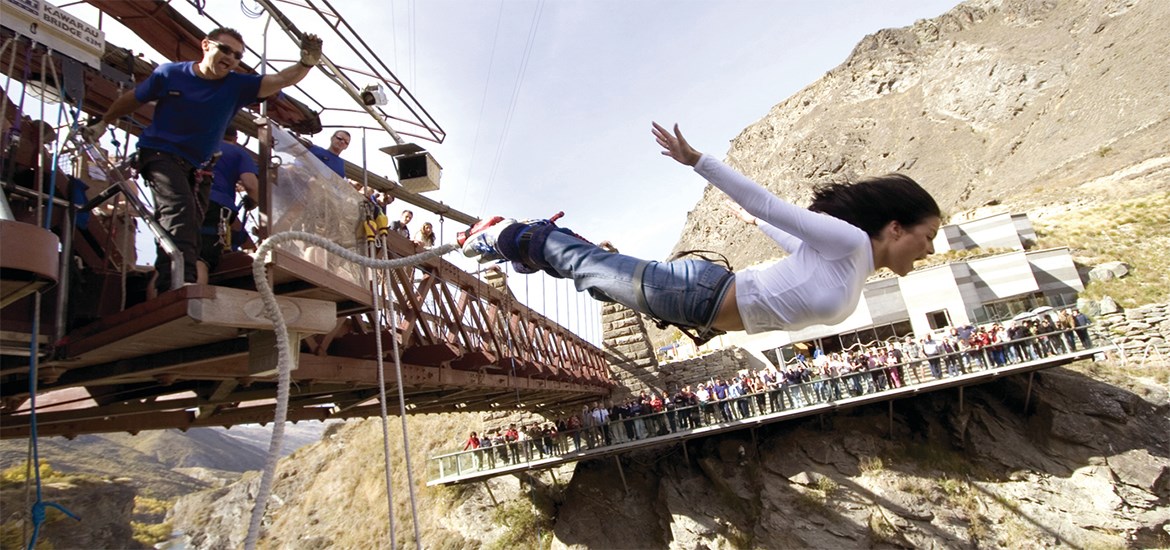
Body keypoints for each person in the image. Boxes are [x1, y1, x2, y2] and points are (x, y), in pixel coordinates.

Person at [459, 123, 941, 342]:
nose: (931, 248)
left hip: (700, 304)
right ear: (896, 228)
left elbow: (790, 239)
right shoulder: (853, 242)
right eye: (929, 235)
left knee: (596, 280)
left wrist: (753, 224)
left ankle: (532, 248)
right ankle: (502, 236)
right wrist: (698, 161)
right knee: (588, 272)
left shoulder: (852, 263)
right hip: (699, 296)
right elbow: (770, 204)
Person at [87, 27, 322, 293]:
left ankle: (167, 285)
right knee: (179, 213)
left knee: (187, 227)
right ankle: (181, 286)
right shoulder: (170, 74)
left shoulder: (236, 86)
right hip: (160, 153)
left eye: (237, 55)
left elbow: (281, 79)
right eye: (225, 50)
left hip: (199, 167)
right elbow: (134, 98)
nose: (231, 58)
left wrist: (306, 64)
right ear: (206, 45)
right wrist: (104, 122)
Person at [197, 127, 259, 284]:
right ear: (235, 139)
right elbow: (251, 185)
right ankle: (192, 306)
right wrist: (254, 201)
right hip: (214, 204)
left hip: (182, 200)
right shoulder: (237, 152)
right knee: (201, 259)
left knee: (166, 263)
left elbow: (235, 226)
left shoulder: (197, 146)